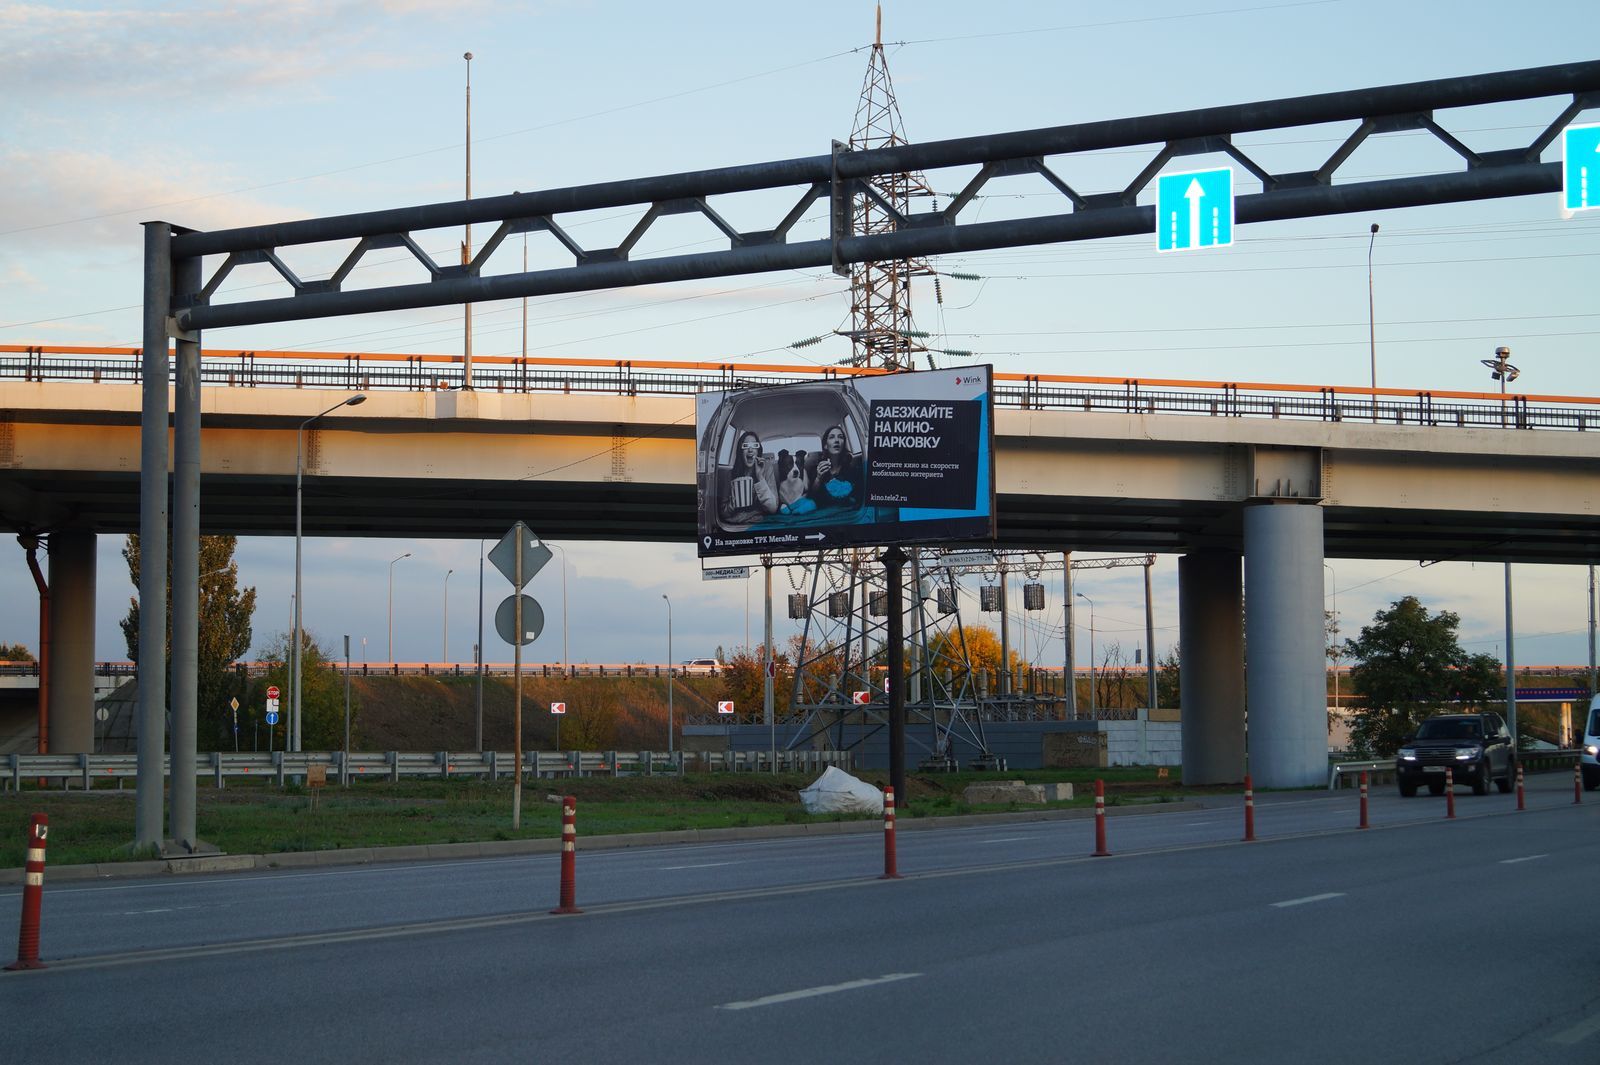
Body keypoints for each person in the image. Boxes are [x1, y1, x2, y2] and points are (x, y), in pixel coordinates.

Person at [718, 429, 777, 524]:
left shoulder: (767, 469)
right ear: (740, 451)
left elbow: (773, 508)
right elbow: (723, 513)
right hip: (737, 524)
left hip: (759, 524)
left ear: (758, 451)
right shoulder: (730, 475)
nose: (750, 450)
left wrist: (760, 477)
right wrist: (733, 504)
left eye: (754, 446)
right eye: (745, 446)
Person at [807, 424, 860, 509]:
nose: (836, 440)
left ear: (844, 444)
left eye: (840, 437)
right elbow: (811, 498)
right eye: (832, 437)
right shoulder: (815, 470)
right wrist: (818, 478)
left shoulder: (852, 470)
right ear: (825, 445)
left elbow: (856, 497)